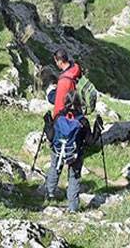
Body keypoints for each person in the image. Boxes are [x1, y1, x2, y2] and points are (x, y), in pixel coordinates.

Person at [44, 48, 86, 213]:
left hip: (62, 127)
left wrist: (52, 122)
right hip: (76, 130)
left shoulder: (63, 82)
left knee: (56, 163)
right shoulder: (76, 71)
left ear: (58, 61)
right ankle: (73, 207)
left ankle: (49, 194)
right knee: (75, 171)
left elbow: (58, 106)